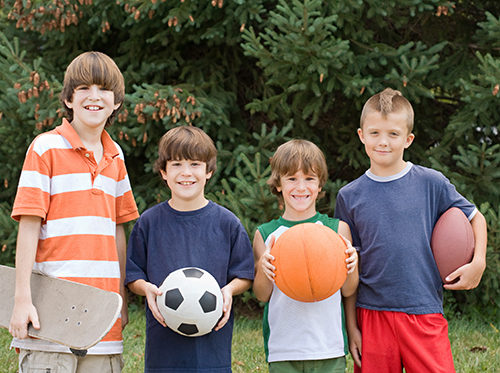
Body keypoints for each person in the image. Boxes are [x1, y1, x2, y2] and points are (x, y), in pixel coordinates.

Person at [335, 88, 488, 373]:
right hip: (372, 314)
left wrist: (478, 261)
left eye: (393, 134)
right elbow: (348, 265)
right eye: (375, 133)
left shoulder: (431, 183)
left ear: (408, 139)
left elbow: (476, 218)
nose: (383, 142)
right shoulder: (349, 196)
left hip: (423, 309)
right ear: (361, 135)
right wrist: (352, 326)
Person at [9, 51, 139, 372]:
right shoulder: (45, 148)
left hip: (102, 315)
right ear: (68, 98)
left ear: (116, 101)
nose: (94, 97)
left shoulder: (116, 156)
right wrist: (21, 299)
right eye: (83, 88)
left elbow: (117, 229)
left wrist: (119, 297)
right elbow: (28, 226)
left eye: (103, 89)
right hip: (50, 314)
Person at [125, 125, 255, 373]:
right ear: (163, 171)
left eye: (195, 164)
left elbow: (244, 274)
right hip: (163, 344)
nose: (186, 173)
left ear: (209, 171)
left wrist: (228, 291)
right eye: (176, 164)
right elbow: (133, 274)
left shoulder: (227, 223)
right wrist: (147, 289)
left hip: (212, 344)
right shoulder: (149, 223)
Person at [253, 139, 359, 373]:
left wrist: (353, 265)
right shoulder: (266, 234)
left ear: (320, 185)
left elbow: (348, 290)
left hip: (328, 346)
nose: (301, 187)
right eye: (291, 179)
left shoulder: (337, 230)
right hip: (284, 347)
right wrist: (263, 268)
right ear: (278, 184)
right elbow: (262, 294)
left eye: (309, 179)